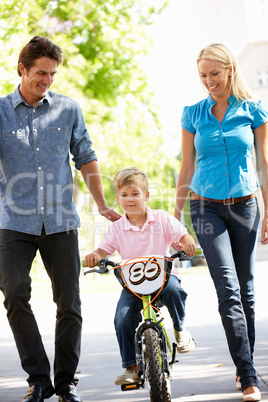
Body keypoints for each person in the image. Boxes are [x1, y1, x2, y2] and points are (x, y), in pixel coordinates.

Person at [0, 36, 120, 402]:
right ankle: (38, 379)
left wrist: (100, 204)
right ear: (22, 69)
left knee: (69, 302)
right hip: (12, 221)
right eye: (40, 73)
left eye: (52, 74)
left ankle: (65, 382)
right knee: (15, 295)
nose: (47, 80)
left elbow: (85, 156)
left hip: (60, 220)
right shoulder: (1, 111)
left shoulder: (68, 109)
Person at [174, 43, 268, 402]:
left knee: (246, 291)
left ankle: (245, 363)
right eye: (203, 75)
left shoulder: (253, 111)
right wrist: (177, 221)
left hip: (246, 205)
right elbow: (185, 167)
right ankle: (247, 375)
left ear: (229, 70)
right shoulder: (193, 114)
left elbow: (263, 164)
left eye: (215, 73)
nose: (209, 81)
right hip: (204, 207)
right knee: (227, 289)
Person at [85, 166, 196, 385]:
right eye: (124, 195)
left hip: (163, 278)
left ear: (146, 195)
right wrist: (95, 255)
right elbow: (103, 250)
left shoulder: (162, 219)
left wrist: (188, 242)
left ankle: (180, 329)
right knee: (122, 317)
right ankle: (131, 367)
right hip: (133, 284)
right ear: (117, 198)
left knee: (175, 291)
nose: (130, 199)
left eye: (135, 194)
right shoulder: (117, 228)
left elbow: (182, 235)